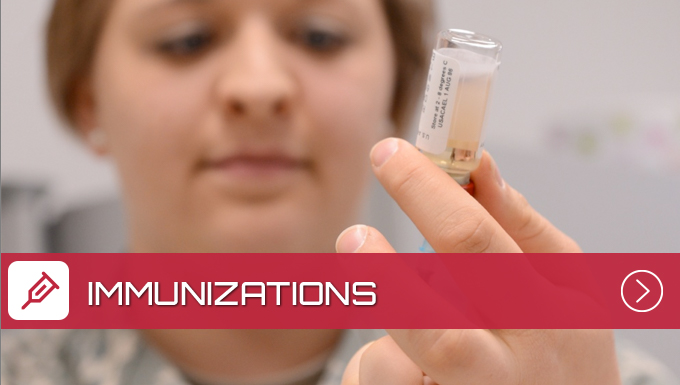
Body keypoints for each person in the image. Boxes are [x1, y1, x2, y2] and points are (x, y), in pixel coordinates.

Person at [1, 0, 678, 385]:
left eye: (320, 36)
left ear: (396, 91)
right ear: (88, 102)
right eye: (186, 40)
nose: (259, 87)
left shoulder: (577, 376)